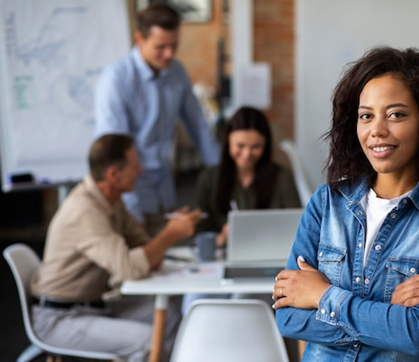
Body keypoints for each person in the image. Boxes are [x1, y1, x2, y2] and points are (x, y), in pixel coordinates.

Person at [272, 46, 419, 361]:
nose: (377, 131)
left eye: (396, 114)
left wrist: (322, 295)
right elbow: (289, 318)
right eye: (366, 116)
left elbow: (417, 334)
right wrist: (386, 314)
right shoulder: (326, 202)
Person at [30, 134, 204, 362]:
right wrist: (170, 234)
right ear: (114, 174)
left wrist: (164, 238)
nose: (141, 170)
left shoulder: (112, 199)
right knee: (146, 341)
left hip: (93, 305)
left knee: (169, 318)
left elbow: (145, 248)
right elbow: (129, 268)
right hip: (60, 317)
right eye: (135, 164)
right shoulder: (85, 211)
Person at [94, 3, 220, 236]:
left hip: (166, 193)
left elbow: (199, 127)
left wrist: (222, 176)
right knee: (138, 267)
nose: (169, 54)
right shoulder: (116, 80)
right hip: (132, 199)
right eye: (160, 47)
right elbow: (115, 155)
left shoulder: (177, 72)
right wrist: (133, 211)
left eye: (174, 45)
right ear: (139, 39)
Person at [195, 106, 301, 248]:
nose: (246, 154)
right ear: (228, 143)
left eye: (255, 147)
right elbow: (198, 233)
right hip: (222, 256)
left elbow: (297, 226)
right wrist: (220, 238)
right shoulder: (209, 178)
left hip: (271, 252)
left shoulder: (283, 177)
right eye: (240, 145)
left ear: (265, 146)